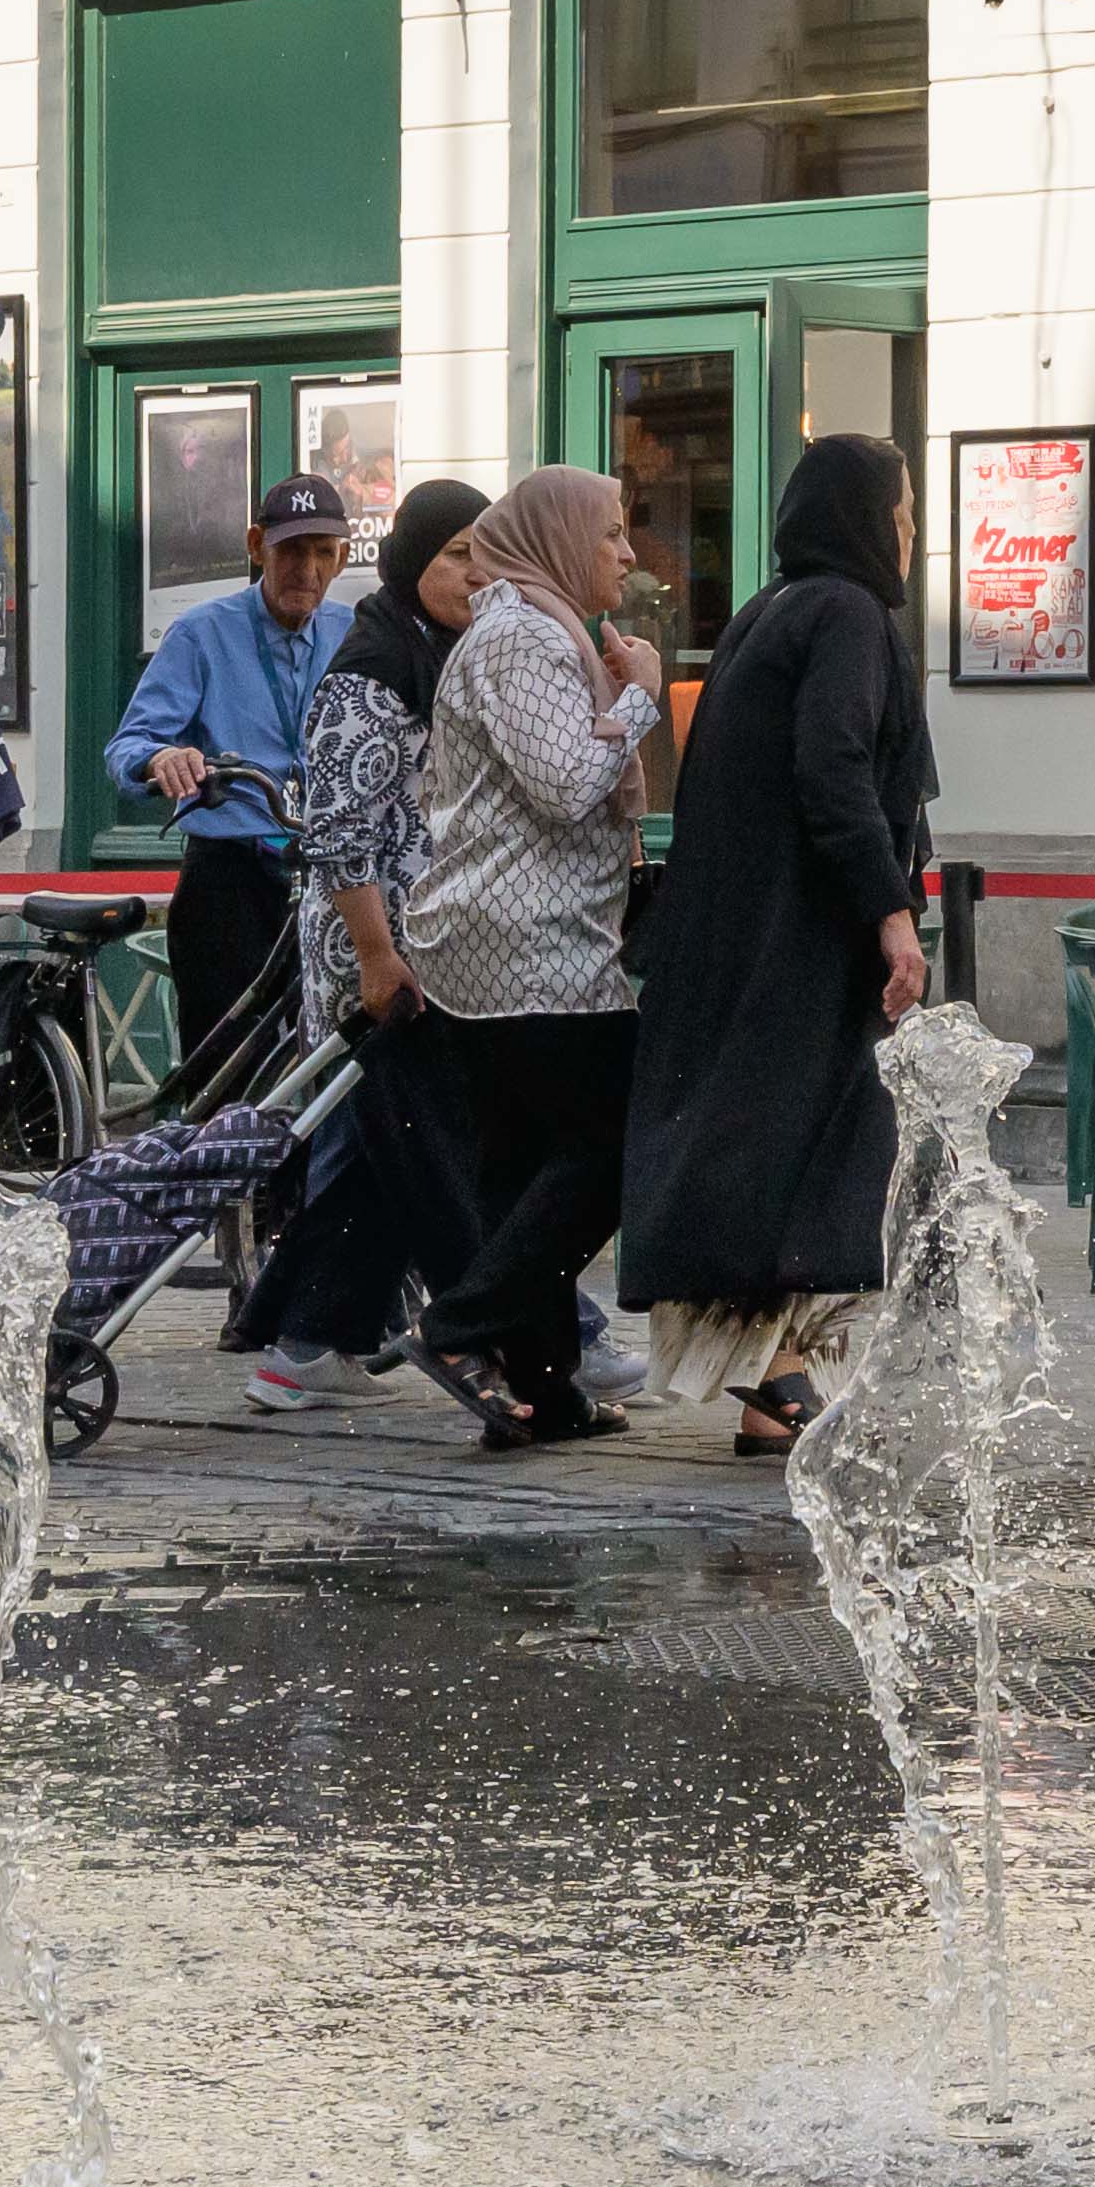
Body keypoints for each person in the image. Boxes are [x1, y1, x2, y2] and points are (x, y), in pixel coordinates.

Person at [613, 431, 932, 1457]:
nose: (915, 529)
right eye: (904, 509)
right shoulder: (846, 613)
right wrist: (891, 916)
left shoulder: (769, 610)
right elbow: (834, 769)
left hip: (740, 938)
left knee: (774, 1153)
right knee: (809, 1159)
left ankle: (775, 1385)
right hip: (798, 946)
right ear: (864, 519)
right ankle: (779, 1375)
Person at [398, 465, 669, 1452]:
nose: (629, 555)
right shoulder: (521, 639)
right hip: (529, 945)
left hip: (503, 942)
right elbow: (564, 786)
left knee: (522, 1169)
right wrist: (641, 701)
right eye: (612, 535)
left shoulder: (537, 632)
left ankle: (544, 1388)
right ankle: (459, 1326)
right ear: (559, 539)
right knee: (619, 1139)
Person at [235, 472, 488, 1402]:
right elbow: (340, 833)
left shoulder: (438, 650)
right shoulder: (373, 670)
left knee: (369, 1149)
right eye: (458, 554)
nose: (474, 573)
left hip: (419, 942)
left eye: (484, 553)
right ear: (415, 557)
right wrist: (377, 955)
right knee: (385, 1140)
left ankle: (307, 1343)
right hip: (368, 950)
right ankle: (519, 1326)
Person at [107, 473, 354, 1069]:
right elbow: (126, 747)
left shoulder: (352, 633)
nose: (308, 570)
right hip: (231, 877)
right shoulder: (201, 632)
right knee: (226, 1068)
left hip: (329, 876)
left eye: (324, 553)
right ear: (255, 546)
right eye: (291, 550)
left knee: (332, 1064)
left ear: (343, 557)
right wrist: (161, 756)